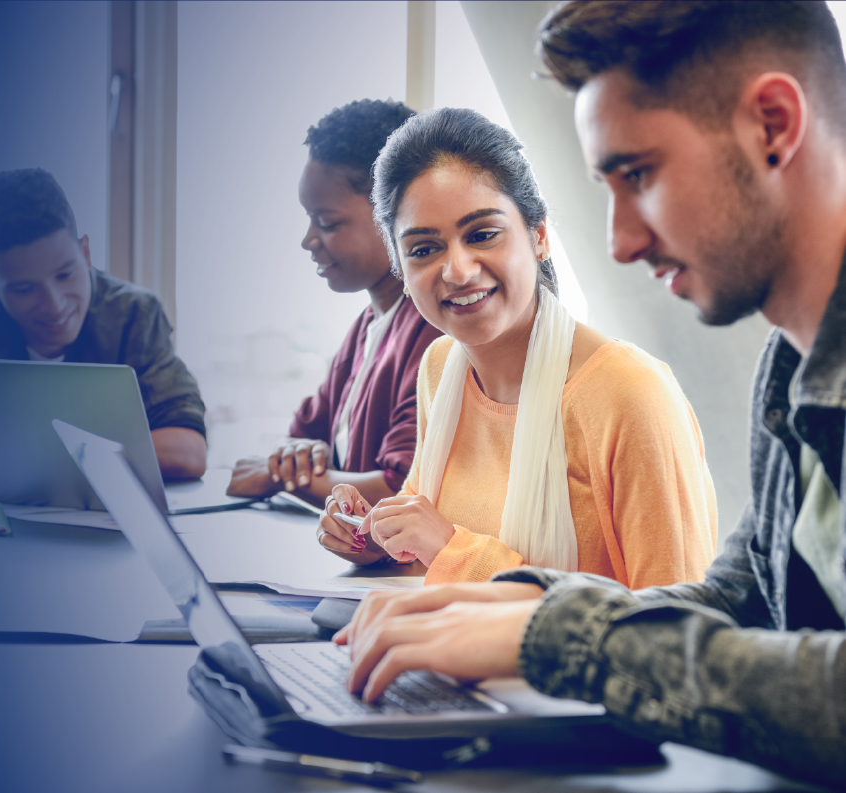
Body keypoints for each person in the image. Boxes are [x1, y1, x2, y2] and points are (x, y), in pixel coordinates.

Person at [334, 1, 846, 785]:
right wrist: (516, 602)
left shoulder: (636, 386)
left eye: (639, 174)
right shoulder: (789, 365)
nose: (619, 243)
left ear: (774, 125)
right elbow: (741, 599)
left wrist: (568, 638)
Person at [315, 107, 718, 587]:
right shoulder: (441, 369)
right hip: (450, 653)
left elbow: (676, 630)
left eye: (482, 234)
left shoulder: (628, 394)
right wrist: (368, 537)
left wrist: (452, 549)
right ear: (400, 267)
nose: (458, 271)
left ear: (539, 236)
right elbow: (424, 546)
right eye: (424, 249)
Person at [0, 168, 207, 494]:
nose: (55, 305)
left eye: (65, 274)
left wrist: (49, 467)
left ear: (85, 254)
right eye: (24, 288)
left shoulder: (134, 315)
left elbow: (189, 448)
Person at [227, 99, 444, 507]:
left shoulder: (435, 330)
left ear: (393, 212)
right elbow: (302, 439)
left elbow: (400, 489)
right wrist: (295, 462)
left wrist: (278, 477)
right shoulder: (365, 327)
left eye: (327, 222)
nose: (309, 240)